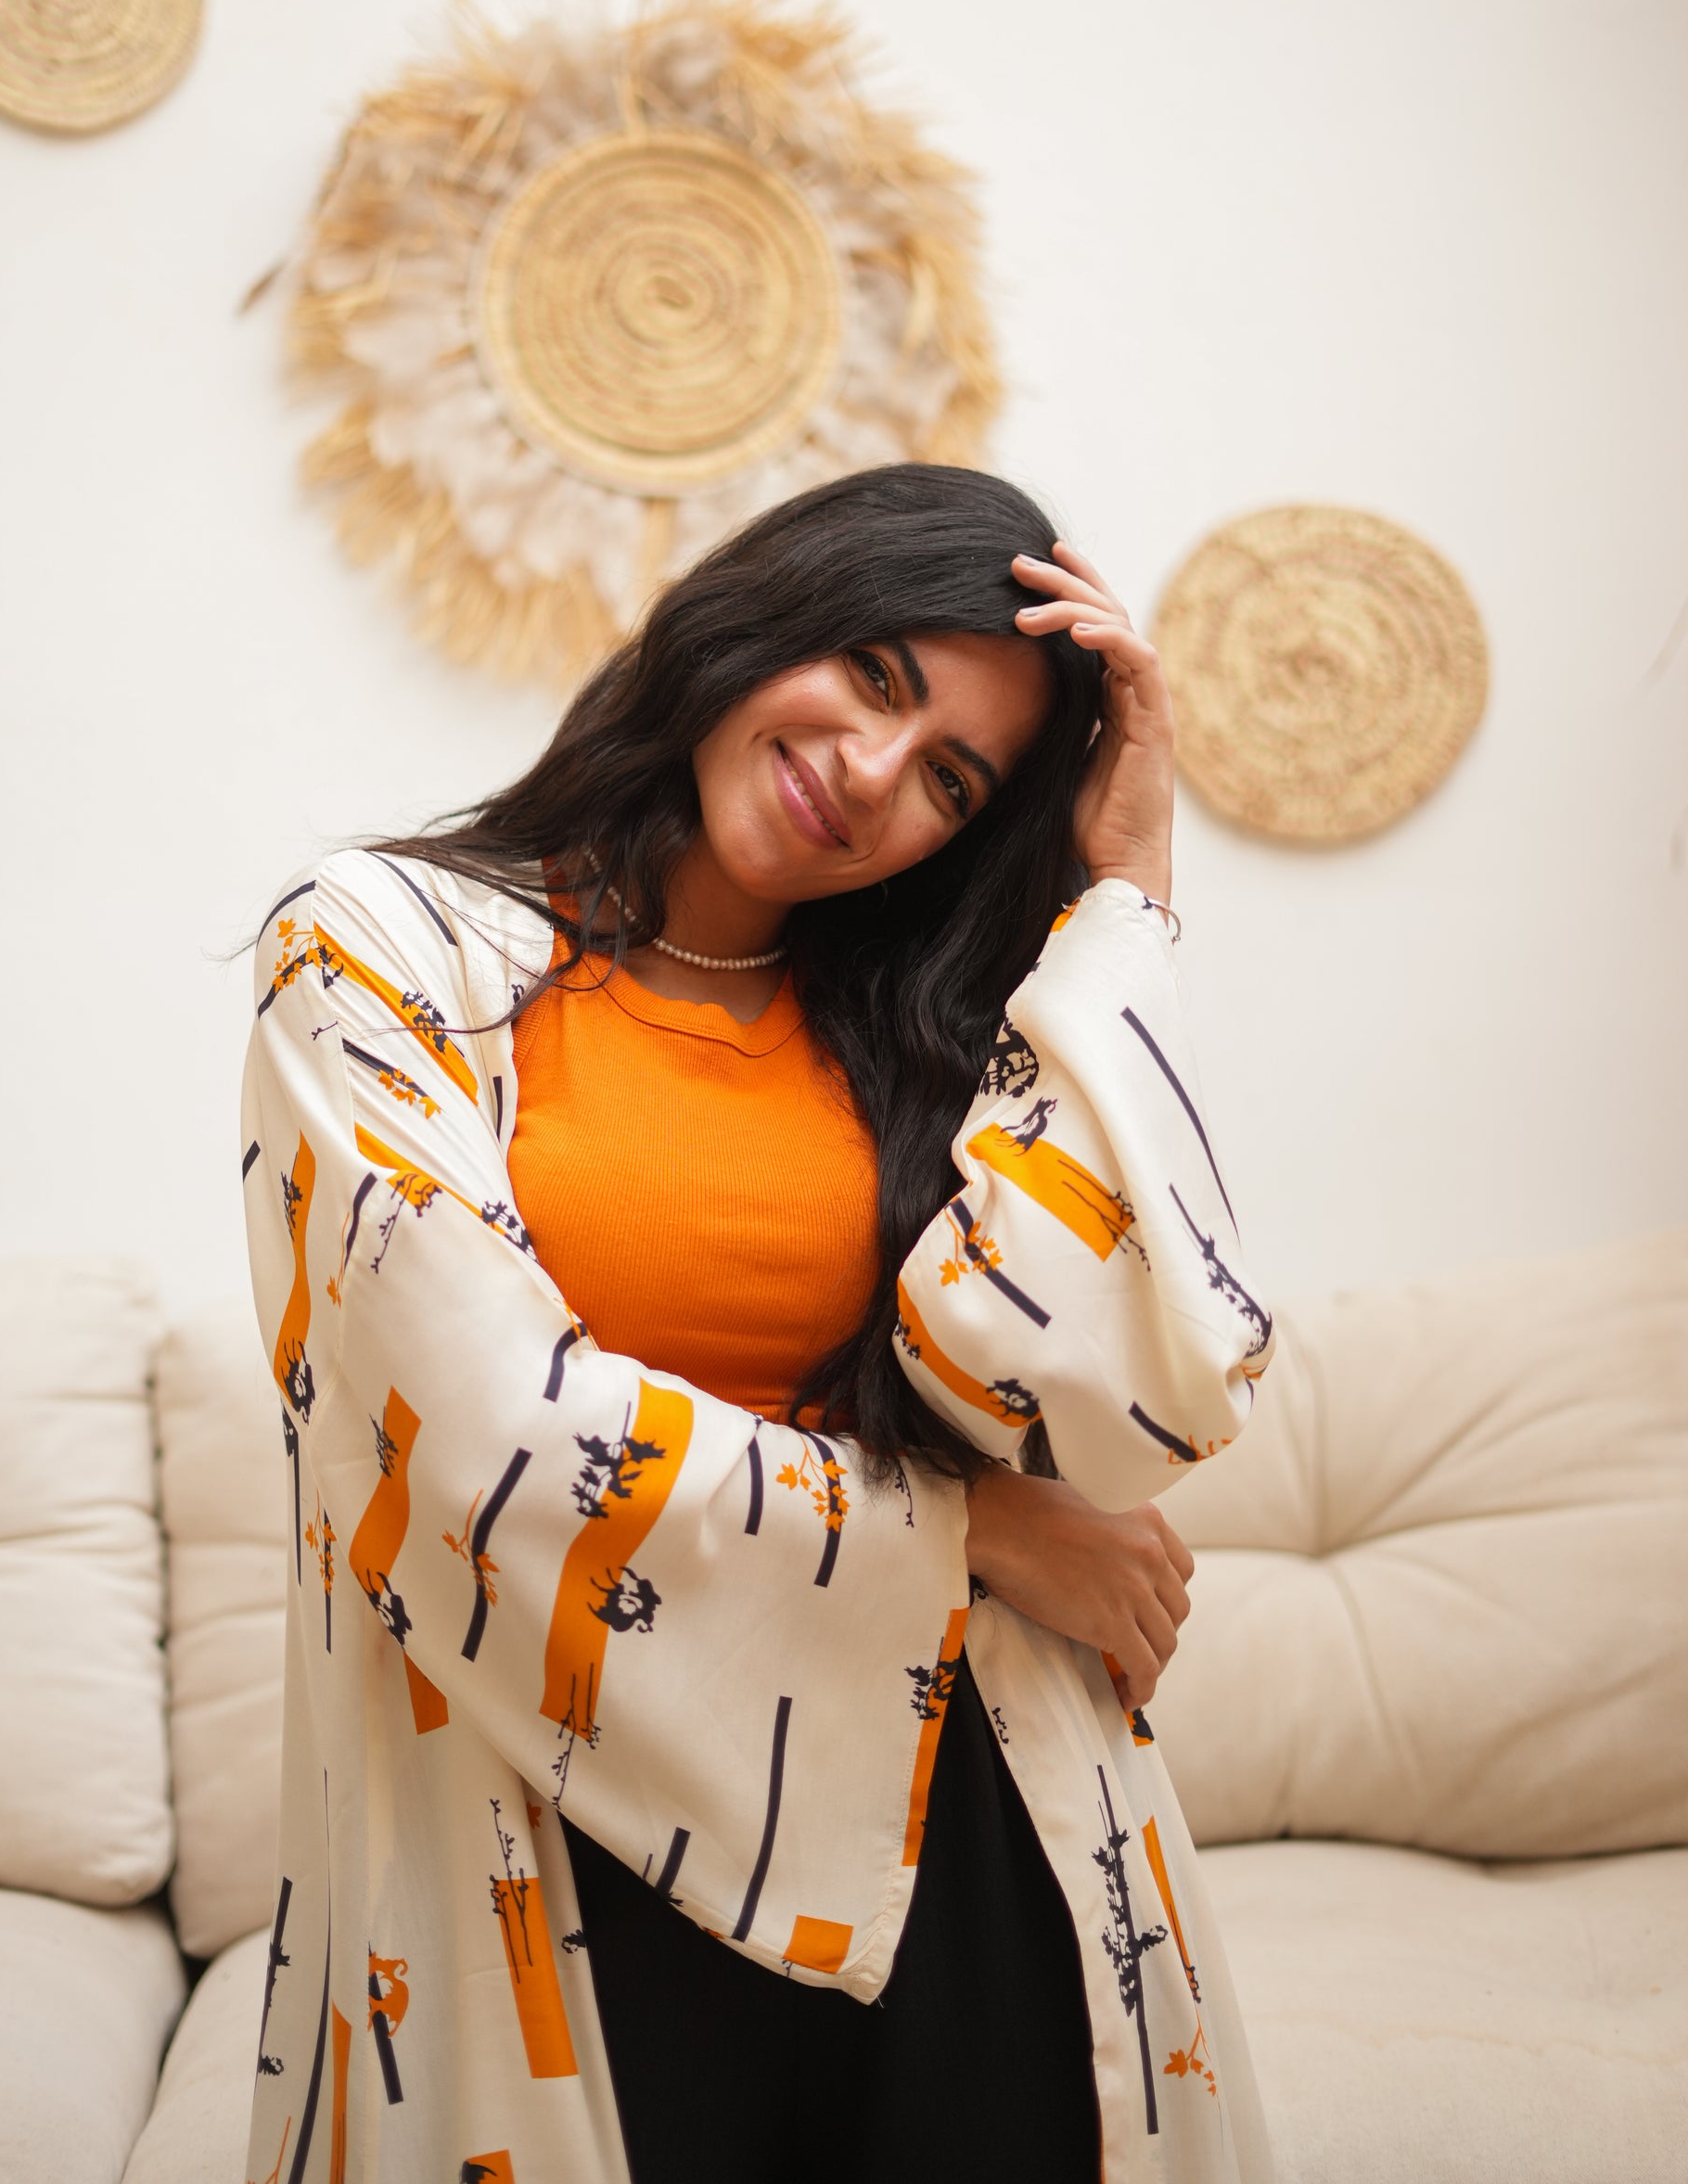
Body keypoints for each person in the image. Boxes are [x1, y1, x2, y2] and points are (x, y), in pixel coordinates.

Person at [242, 463, 1275, 2184]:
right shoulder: (377, 950)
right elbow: (483, 1428)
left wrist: (1122, 901)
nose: (871, 772)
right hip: (555, 1828)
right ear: (766, 609)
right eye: (873, 674)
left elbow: (1111, 1410)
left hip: (978, 1826)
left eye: (950, 777)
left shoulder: (926, 1033)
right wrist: (968, 1534)